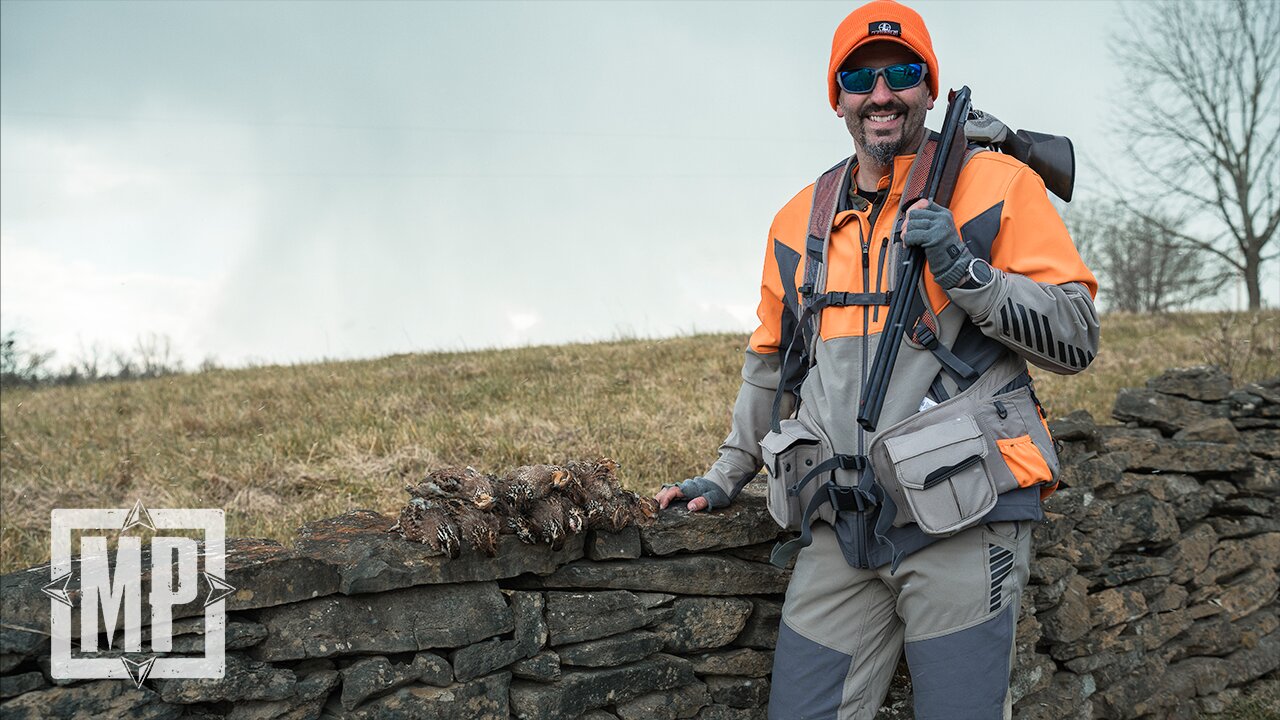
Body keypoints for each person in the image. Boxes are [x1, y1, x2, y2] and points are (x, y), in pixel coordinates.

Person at [654, 1, 1099, 718]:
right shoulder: (798, 219)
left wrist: (967, 273)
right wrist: (725, 473)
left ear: (930, 86)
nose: (881, 94)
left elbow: (1077, 336)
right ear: (838, 97)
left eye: (901, 73)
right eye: (860, 78)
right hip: (844, 525)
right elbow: (772, 366)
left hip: (966, 515)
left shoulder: (999, 186)